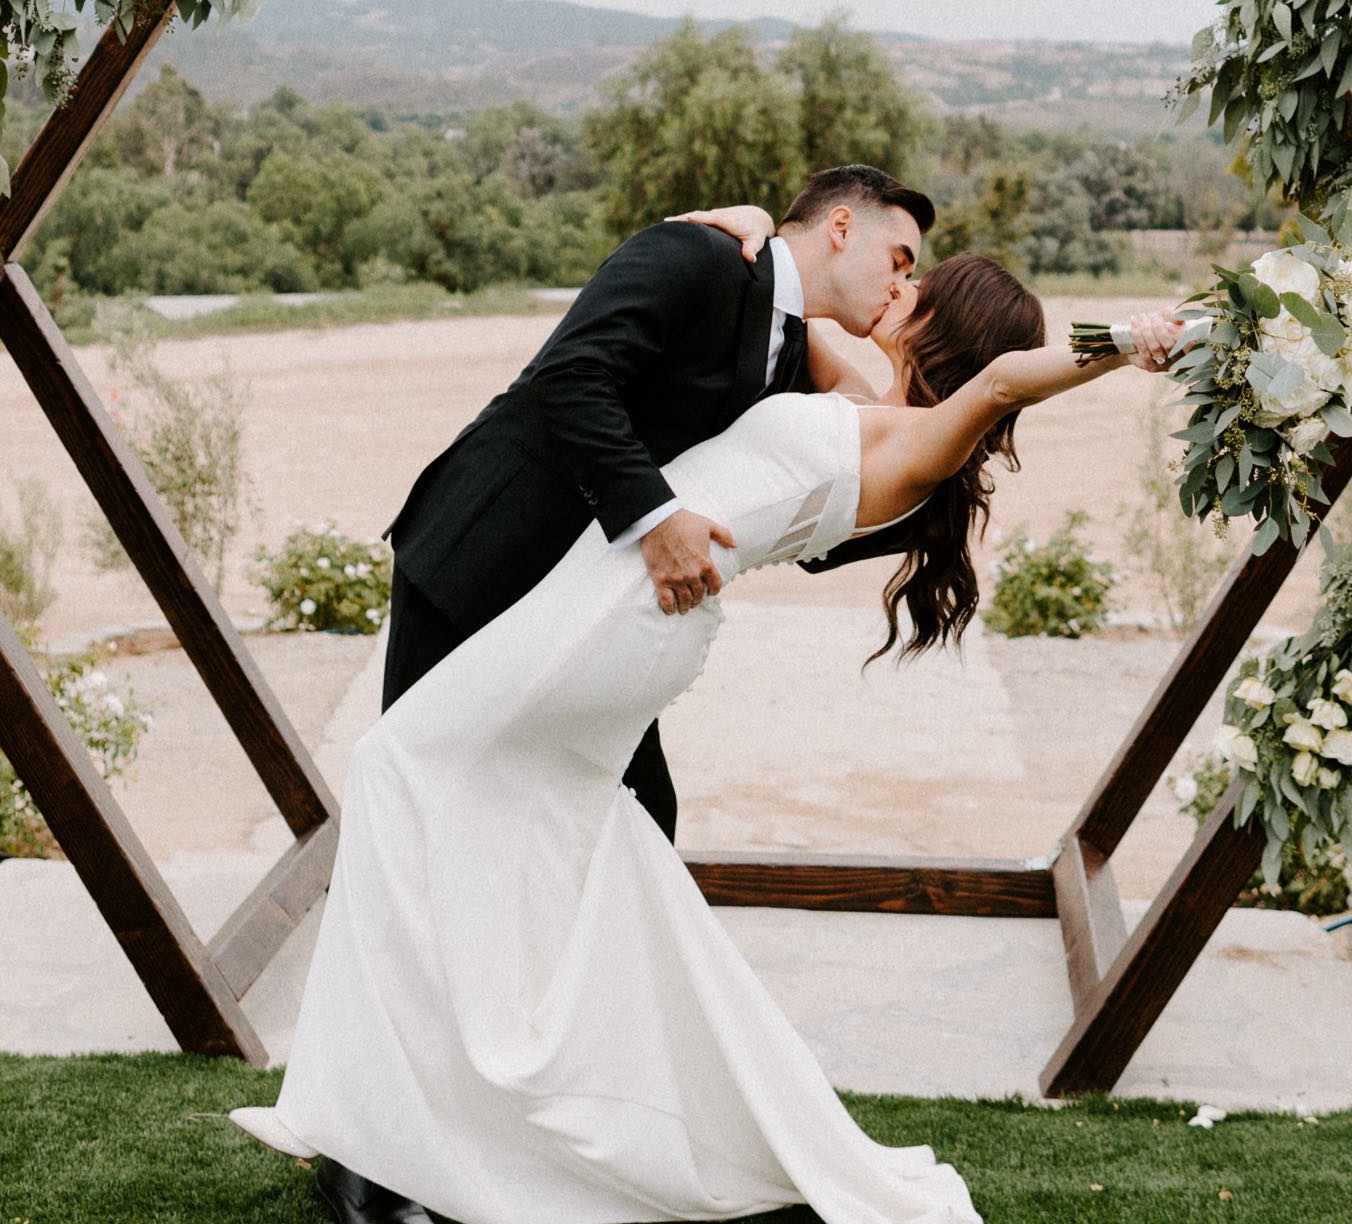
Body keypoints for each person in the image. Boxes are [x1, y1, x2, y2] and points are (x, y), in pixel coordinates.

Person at [231, 244, 1183, 1224]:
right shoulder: (857, 386)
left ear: (946, 329)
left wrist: (1123, 346)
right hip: (616, 597)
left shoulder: (920, 443)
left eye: (918, 288)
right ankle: (432, 1109)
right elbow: (794, 302)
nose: (896, 284)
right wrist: (734, 220)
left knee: (398, 767)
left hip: (623, 614)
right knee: (550, 834)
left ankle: (396, 1125)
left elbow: (995, 380)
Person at [381, 165, 935, 844]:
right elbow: (570, 377)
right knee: (418, 795)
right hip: (480, 558)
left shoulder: (787, 345)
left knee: (638, 817)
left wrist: (906, 346)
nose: (900, 286)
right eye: (898, 261)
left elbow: (874, 441)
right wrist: (657, 515)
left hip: (584, 604)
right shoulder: (694, 254)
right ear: (841, 227)